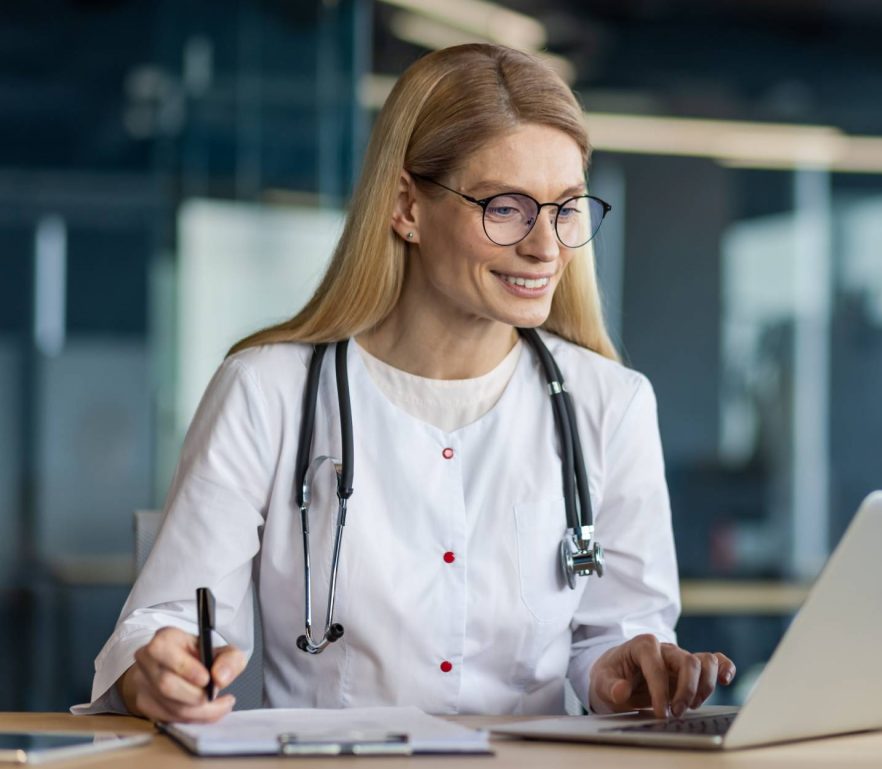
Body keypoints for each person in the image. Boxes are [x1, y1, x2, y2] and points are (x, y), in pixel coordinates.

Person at [75, 43, 735, 724]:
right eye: (507, 208)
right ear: (406, 207)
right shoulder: (264, 392)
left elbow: (617, 630)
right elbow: (170, 621)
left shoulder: (612, 404)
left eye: (566, 207)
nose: (546, 247)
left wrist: (623, 671)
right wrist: (156, 670)